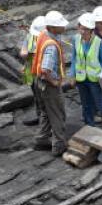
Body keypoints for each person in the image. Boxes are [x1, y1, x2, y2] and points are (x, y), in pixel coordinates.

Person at [68, 13, 102, 134]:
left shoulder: (98, 42)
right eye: (81, 28)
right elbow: (74, 58)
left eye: (86, 29)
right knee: (86, 105)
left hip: (94, 80)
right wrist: (72, 75)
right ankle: (89, 128)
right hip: (81, 78)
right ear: (78, 26)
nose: (83, 31)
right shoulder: (75, 39)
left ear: (91, 30)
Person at [30, 10, 70, 155]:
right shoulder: (51, 45)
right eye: (61, 25)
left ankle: (41, 140)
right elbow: (45, 69)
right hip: (47, 85)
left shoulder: (43, 35)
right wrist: (54, 82)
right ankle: (59, 145)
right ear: (52, 27)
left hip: (38, 83)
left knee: (46, 112)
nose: (64, 27)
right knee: (58, 113)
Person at [19, 15, 46, 126]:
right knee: (37, 96)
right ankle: (40, 117)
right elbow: (23, 53)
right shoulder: (30, 36)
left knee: (44, 98)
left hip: (42, 72)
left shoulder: (48, 39)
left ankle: (45, 121)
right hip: (32, 71)